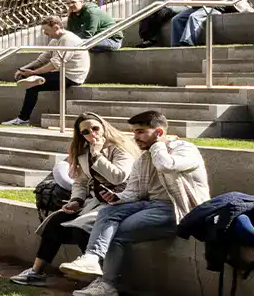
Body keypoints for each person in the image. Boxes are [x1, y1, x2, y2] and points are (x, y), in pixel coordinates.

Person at [59, 109, 210, 296]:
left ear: (159, 132)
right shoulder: (144, 158)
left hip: (179, 210)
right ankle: (91, 258)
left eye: (140, 132)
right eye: (134, 132)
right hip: (151, 205)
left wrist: (158, 145)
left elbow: (166, 165)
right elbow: (134, 192)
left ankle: (107, 284)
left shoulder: (185, 149)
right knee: (107, 212)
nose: (135, 137)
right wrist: (118, 198)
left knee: (116, 232)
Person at [11, 113, 136, 285]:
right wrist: (77, 200)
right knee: (56, 221)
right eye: (85, 132)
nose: (92, 134)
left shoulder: (119, 148)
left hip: (119, 201)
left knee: (83, 227)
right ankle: (36, 272)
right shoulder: (83, 151)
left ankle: (103, 281)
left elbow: (118, 177)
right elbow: (80, 181)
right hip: (94, 202)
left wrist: (97, 155)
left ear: (103, 127)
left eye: (95, 128)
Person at [5, 17, 89, 127]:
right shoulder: (55, 40)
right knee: (31, 81)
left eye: (46, 30)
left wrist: (34, 73)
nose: (45, 33)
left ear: (56, 27)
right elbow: (43, 59)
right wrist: (22, 69)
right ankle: (23, 118)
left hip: (72, 77)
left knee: (33, 85)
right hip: (62, 73)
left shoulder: (68, 40)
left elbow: (55, 64)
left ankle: (23, 119)